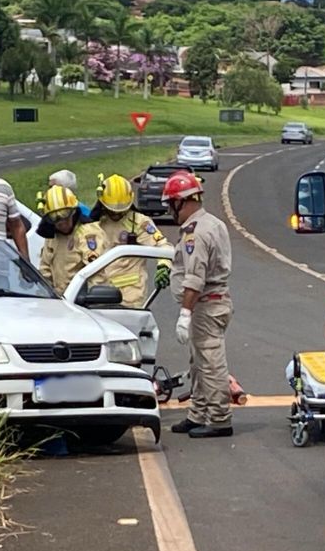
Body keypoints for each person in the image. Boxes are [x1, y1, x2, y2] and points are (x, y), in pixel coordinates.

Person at [164, 171, 234, 438]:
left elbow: (195, 277)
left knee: (210, 363)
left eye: (171, 204)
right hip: (212, 303)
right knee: (199, 362)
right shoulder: (212, 223)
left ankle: (219, 418)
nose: (171, 210)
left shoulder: (196, 234)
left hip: (206, 304)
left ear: (181, 202)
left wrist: (185, 312)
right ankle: (198, 412)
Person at [90, 174, 171, 307]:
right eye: (112, 210)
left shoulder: (139, 222)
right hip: (98, 295)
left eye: (121, 211)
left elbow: (162, 245)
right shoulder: (95, 224)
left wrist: (163, 265)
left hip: (131, 297)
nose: (117, 214)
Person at [37, 186, 106, 293]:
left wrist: (92, 300)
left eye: (65, 215)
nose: (62, 223)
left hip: (81, 301)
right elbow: (45, 269)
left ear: (74, 212)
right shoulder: (52, 237)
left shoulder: (88, 233)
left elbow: (96, 273)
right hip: (60, 301)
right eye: (55, 218)